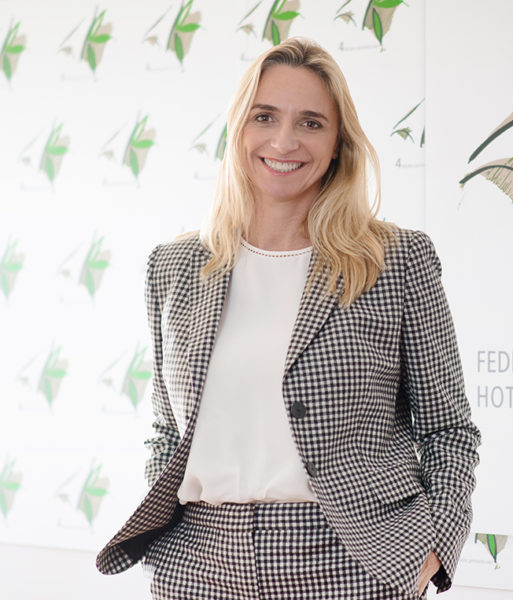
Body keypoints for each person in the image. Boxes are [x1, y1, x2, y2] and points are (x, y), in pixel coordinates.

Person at [96, 37, 480, 600]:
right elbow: (168, 431)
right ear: (238, 129)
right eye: (265, 116)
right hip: (196, 566)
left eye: (311, 123)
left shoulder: (395, 261)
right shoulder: (173, 266)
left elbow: (448, 430)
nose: (283, 141)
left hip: (350, 564)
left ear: (338, 144)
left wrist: (433, 549)